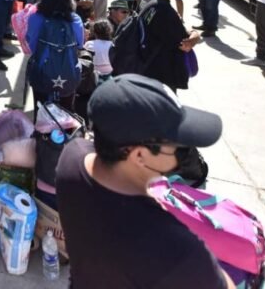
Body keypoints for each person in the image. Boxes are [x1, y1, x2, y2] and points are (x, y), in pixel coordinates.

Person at [57, 73, 233, 289]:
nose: (185, 154)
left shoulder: (71, 158)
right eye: (180, 148)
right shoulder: (178, 251)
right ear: (139, 156)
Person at [25, 0, 85, 110]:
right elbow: (80, 45)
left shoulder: (35, 17)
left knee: (40, 112)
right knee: (67, 112)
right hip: (67, 74)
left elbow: (30, 45)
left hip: (41, 73)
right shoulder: (75, 20)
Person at [142, 0, 201, 92]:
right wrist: (195, 36)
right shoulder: (164, 10)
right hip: (160, 79)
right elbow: (185, 43)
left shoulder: (151, 0)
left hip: (149, 73)